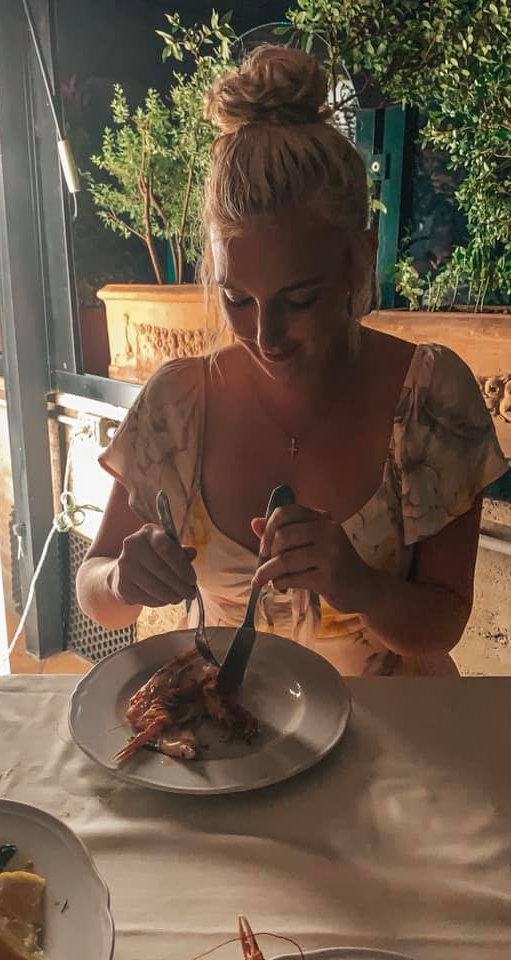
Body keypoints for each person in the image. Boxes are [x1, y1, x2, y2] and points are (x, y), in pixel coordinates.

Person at [76, 46, 508, 676]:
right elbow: (98, 595)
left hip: (394, 749)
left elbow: (443, 623)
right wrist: (122, 578)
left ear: (358, 257)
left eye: (299, 299)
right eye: (237, 299)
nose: (266, 334)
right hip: (238, 742)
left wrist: (357, 584)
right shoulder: (178, 403)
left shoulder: (430, 396)